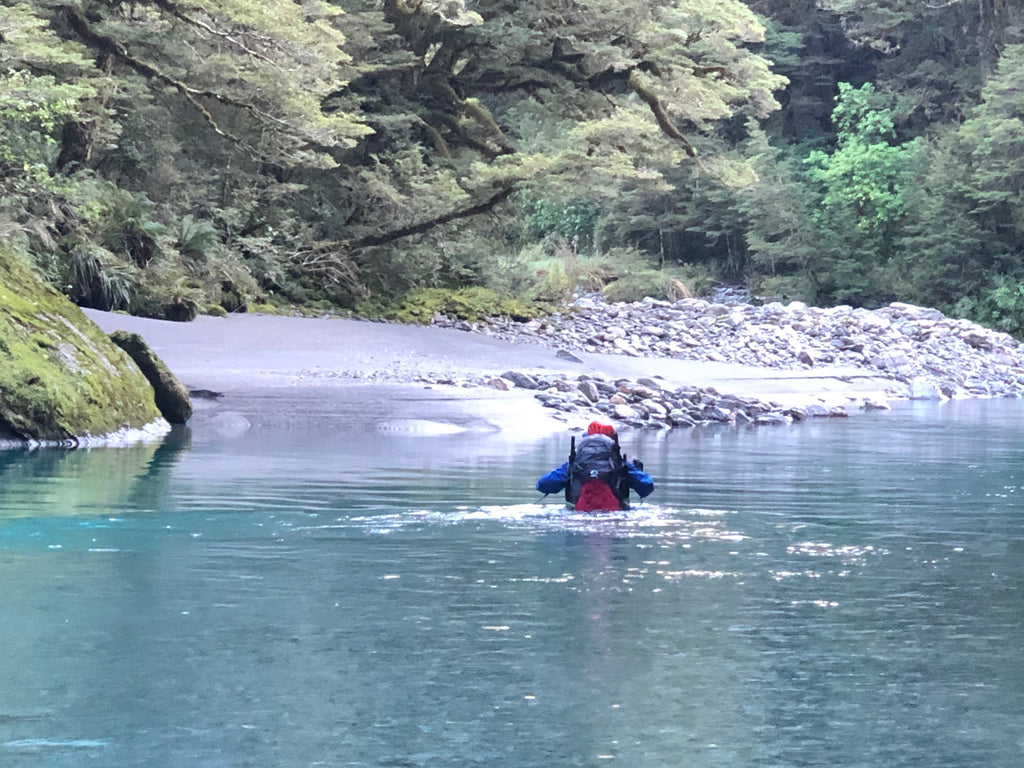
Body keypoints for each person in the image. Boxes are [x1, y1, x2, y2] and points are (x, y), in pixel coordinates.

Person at [536, 421, 654, 512]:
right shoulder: (621, 464)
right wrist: (635, 473)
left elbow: (543, 485)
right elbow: (647, 486)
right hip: (615, 516)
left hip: (578, 515)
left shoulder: (574, 464)